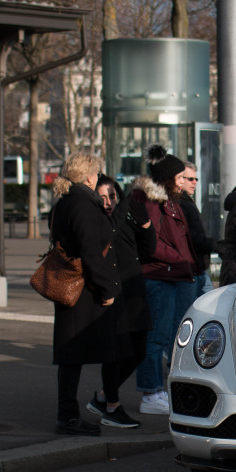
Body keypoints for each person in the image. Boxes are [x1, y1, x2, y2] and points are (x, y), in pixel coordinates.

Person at [48, 152, 120, 436]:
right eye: (98, 174)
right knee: (73, 355)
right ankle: (68, 417)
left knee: (71, 356)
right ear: (90, 176)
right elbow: (90, 251)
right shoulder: (83, 204)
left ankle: (68, 413)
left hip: (71, 285)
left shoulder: (66, 201)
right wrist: (107, 288)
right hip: (83, 289)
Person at [131, 150, 198, 415]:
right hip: (159, 274)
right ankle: (151, 393)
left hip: (167, 273)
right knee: (155, 337)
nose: (185, 181)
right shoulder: (153, 202)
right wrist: (178, 258)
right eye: (181, 176)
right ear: (170, 178)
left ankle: (155, 391)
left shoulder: (165, 201)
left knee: (161, 336)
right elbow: (152, 244)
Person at [86, 177, 157, 429]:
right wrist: (125, 205)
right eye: (102, 197)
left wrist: (146, 224)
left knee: (138, 350)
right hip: (111, 293)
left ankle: (104, 396)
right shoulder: (97, 220)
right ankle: (112, 408)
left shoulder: (123, 217)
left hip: (133, 289)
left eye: (112, 197)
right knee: (114, 352)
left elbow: (148, 250)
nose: (108, 203)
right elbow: (107, 237)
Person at [178, 159, 215, 303]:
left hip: (199, 267)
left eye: (196, 179)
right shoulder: (180, 203)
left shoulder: (187, 202)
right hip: (190, 268)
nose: (194, 182)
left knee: (209, 305)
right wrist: (212, 244)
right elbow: (189, 236)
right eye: (190, 179)